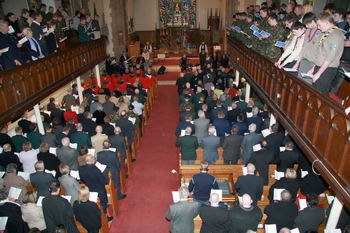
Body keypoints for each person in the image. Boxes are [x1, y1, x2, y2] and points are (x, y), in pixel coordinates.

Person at [305, 12, 344, 94]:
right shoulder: (326, 33)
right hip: (319, 67)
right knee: (314, 92)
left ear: (326, 23)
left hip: (326, 70)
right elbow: (320, 53)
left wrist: (318, 73)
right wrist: (313, 68)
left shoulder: (335, 35)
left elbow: (330, 57)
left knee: (320, 94)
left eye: (319, 25)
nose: (318, 28)